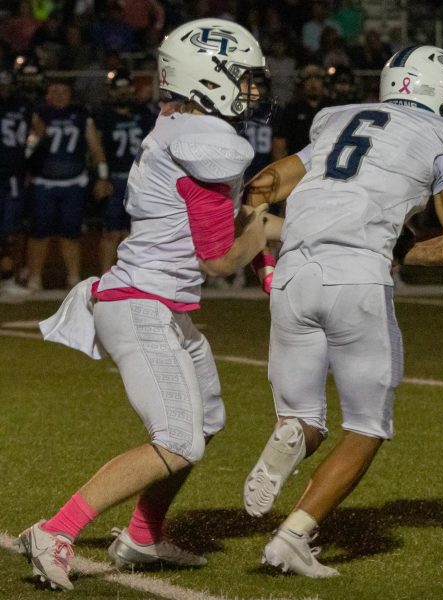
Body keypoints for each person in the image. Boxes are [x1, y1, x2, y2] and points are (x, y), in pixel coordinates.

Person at [14, 18, 272, 591]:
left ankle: (143, 536)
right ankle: (56, 529)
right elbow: (215, 257)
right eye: (242, 77)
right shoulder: (203, 141)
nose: (254, 88)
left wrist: (267, 239)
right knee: (178, 438)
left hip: (156, 303)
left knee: (204, 423)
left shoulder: (177, 127)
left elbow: (217, 224)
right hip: (141, 304)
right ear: (209, 80)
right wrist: (266, 235)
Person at [243, 45, 443, 578]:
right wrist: (397, 250)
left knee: (304, 419)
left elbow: (260, 187)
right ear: (442, 91)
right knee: (367, 425)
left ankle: (290, 442)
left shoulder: (337, 119)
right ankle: (293, 536)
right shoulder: (442, 141)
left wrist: (262, 259)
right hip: (357, 277)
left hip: (295, 273)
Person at [24, 78, 109, 290]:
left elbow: (96, 149)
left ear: (71, 94)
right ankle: (35, 278)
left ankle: (73, 278)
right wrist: (35, 138)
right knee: (39, 234)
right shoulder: (39, 113)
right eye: (56, 91)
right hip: (43, 182)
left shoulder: (81, 115)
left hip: (73, 183)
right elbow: (26, 150)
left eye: (64, 91)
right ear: (47, 94)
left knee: (71, 234)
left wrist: (102, 177)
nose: (60, 95)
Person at [94, 68, 155, 273]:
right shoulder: (104, 116)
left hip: (141, 180)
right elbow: (97, 149)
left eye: (126, 88)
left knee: (137, 232)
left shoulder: (144, 113)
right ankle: (105, 276)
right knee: (111, 232)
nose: (123, 93)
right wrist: (102, 177)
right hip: (116, 178)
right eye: (118, 89)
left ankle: (133, 276)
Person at [0, 69, 32, 297]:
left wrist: (27, 152)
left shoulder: (23, 105)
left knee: (9, 232)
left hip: (11, 175)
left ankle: (8, 277)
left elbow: (38, 129)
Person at [271, 64, 329, 161]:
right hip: (298, 166)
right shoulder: (292, 110)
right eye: (308, 79)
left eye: (317, 79)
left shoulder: (332, 108)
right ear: (302, 84)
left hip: (325, 165)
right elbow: (279, 143)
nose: (313, 84)